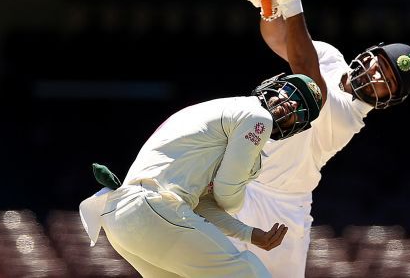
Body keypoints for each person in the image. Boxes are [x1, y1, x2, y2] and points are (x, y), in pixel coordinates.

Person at [78, 26, 326, 278]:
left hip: (124, 220)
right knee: (251, 272)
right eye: (291, 91)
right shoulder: (255, 116)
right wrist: (236, 199)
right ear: (272, 85)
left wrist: (250, 234)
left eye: (301, 107)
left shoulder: (228, 115)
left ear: (297, 127)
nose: (291, 102)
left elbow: (201, 205)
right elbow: (227, 193)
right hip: (154, 210)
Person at [235, 0, 410, 278]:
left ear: (387, 101)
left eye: (387, 82)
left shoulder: (349, 118)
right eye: (381, 64)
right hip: (241, 180)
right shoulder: (332, 57)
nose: (377, 74)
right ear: (370, 53)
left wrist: (292, 2)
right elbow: (281, 39)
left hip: (282, 211)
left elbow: (309, 78)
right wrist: (268, 7)